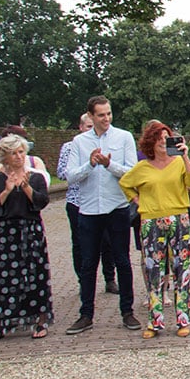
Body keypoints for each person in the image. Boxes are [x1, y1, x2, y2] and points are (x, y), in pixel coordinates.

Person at [63, 96, 139, 334]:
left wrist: (108, 165)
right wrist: (90, 164)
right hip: (88, 209)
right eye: (101, 115)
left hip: (116, 207)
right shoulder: (79, 142)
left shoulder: (123, 137)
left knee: (122, 261)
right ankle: (86, 314)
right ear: (91, 116)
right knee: (88, 264)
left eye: (109, 114)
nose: (106, 119)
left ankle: (127, 311)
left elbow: (132, 172)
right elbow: (70, 175)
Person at [119, 120, 190, 338]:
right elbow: (125, 183)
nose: (164, 142)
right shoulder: (142, 167)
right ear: (151, 142)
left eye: (167, 138)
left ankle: (183, 318)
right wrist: (138, 200)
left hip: (178, 220)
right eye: (159, 138)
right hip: (151, 222)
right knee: (153, 271)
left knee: (181, 270)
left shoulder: (179, 163)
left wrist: (185, 156)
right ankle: (155, 321)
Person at [0, 134, 54, 342]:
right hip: (5, 233)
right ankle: (0, 323)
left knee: (36, 274)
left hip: (30, 231)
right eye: (13, 153)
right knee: (3, 276)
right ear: (5, 156)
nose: (18, 156)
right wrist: (6, 191)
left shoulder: (36, 177)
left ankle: (40, 320)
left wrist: (25, 187)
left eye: (21, 152)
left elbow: (42, 201)